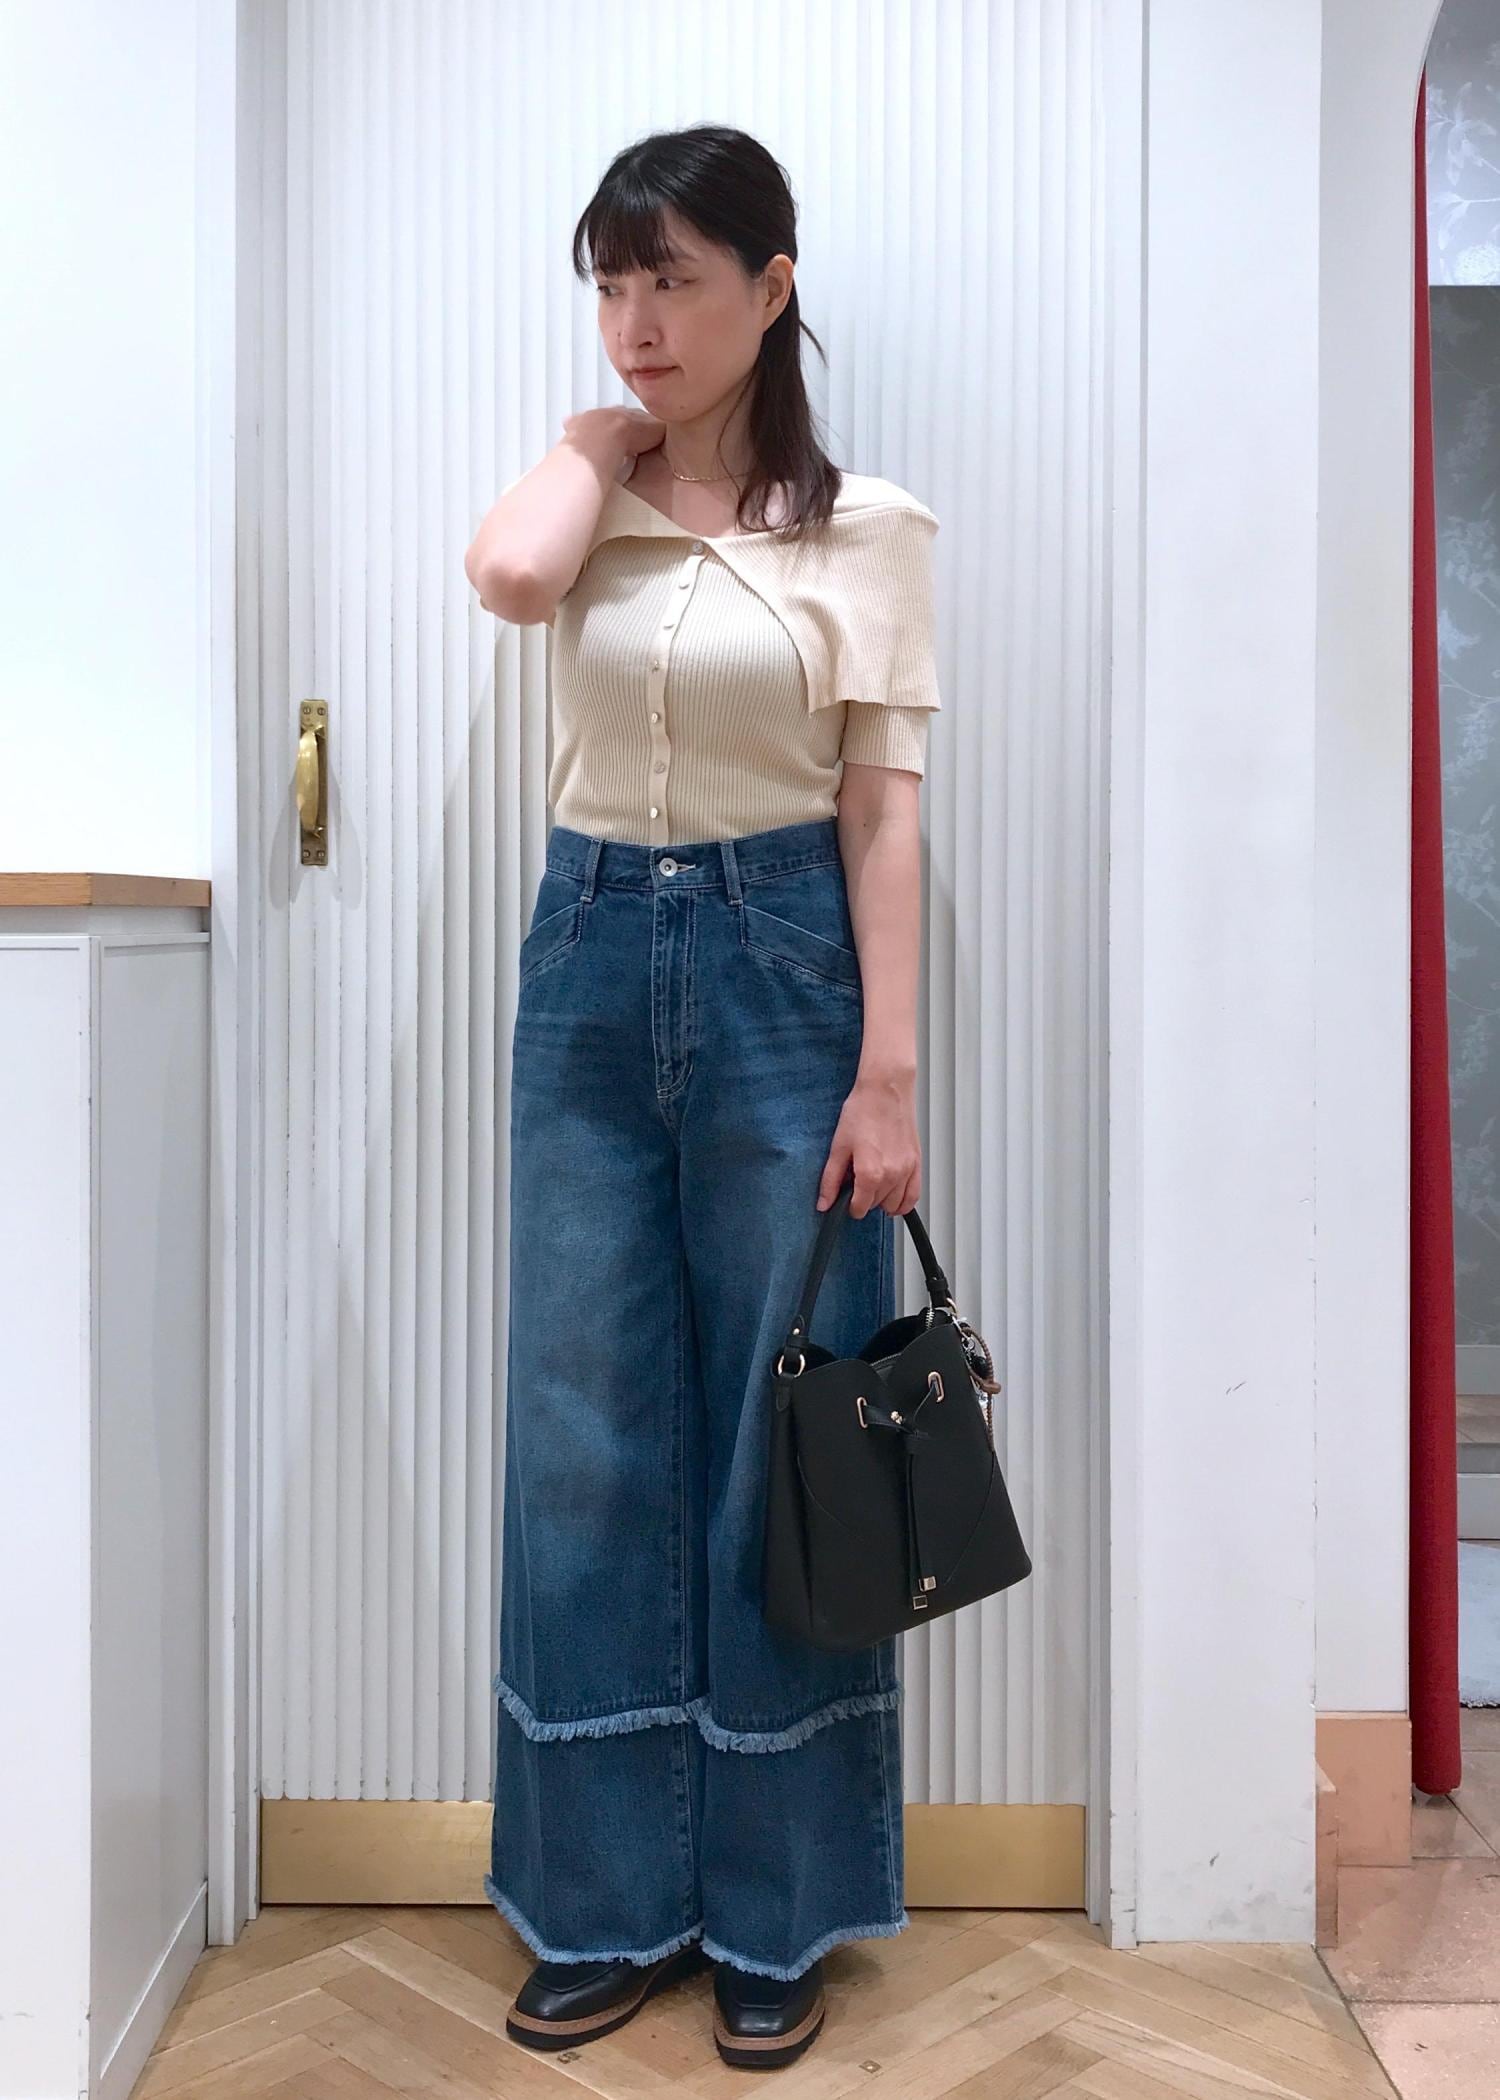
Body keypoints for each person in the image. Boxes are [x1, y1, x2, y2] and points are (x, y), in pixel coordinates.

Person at [464, 122, 942, 2073]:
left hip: (782, 971)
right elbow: (508, 579)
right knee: (586, 1437)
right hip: (587, 960)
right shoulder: (587, 501)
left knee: (782, 1442)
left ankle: (773, 1914)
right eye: (611, 282)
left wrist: (888, 1073)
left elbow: (883, 812)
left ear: (775, 285)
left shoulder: (869, 530)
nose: (638, 320)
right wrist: (592, 444)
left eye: (673, 277)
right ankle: (600, 1904)